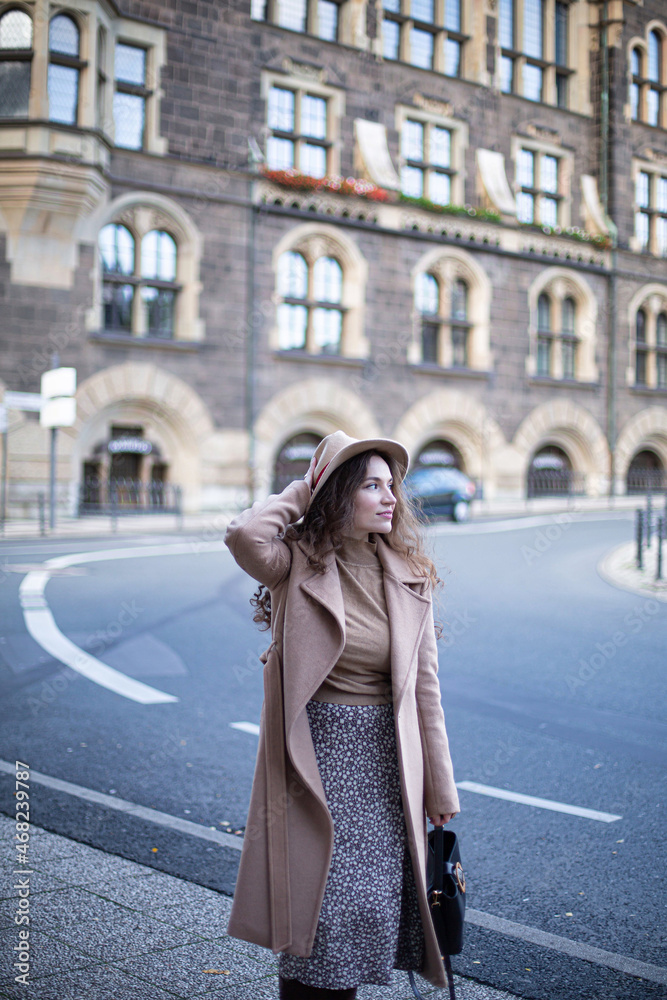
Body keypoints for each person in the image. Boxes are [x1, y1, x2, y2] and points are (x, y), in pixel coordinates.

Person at [224, 430, 460, 999]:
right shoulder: (296, 566)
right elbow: (243, 534)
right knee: (316, 912)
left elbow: (426, 689)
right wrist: (306, 488)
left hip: (386, 764)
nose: (389, 498)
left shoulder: (409, 574)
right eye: (370, 485)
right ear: (337, 495)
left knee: (366, 914)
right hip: (316, 759)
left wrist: (441, 793)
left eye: (391, 486)